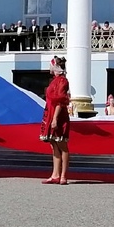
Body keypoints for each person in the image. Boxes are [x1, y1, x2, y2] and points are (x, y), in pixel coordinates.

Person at [40, 56, 71, 185]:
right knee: (53, 145)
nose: (49, 68)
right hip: (50, 113)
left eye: (51, 65)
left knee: (62, 145)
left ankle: (63, 175)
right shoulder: (55, 81)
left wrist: (55, 118)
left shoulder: (62, 81)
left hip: (58, 115)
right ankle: (55, 174)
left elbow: (60, 101)